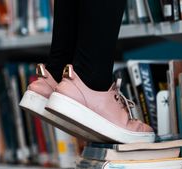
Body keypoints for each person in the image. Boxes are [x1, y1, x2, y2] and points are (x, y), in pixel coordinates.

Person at [19, 0, 155, 144]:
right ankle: (90, 81)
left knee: (62, 62)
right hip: (90, 80)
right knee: (89, 71)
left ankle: (57, 74)